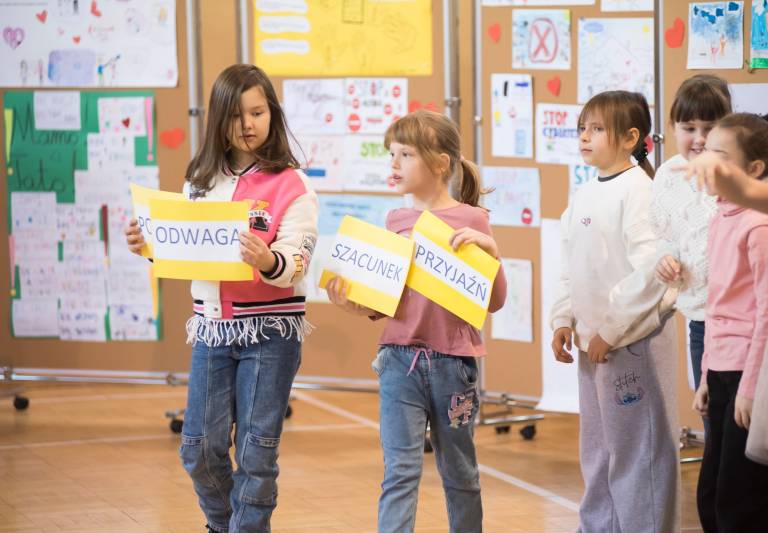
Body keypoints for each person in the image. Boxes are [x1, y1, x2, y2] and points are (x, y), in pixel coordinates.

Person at [125, 64, 318, 533]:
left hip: (272, 333)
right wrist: (150, 246)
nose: (248, 124)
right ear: (218, 118)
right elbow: (188, 250)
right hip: (212, 328)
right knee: (197, 449)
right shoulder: (200, 179)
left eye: (258, 112)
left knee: (256, 453)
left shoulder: (294, 184)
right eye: (236, 115)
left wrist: (268, 260)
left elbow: (298, 260)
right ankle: (223, 524)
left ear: (272, 115)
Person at [327, 109, 507, 533]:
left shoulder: (472, 219)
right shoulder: (395, 221)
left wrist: (492, 254)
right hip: (397, 362)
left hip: (453, 365)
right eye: (391, 154)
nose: (394, 163)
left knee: (460, 472)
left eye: (405, 154)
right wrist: (355, 305)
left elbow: (494, 301)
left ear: (441, 163)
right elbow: (386, 301)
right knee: (400, 472)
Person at [550, 90, 680, 532]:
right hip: (595, 346)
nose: (585, 137)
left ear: (630, 138)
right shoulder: (586, 193)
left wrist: (611, 330)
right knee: (600, 453)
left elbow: (650, 273)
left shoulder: (640, 191)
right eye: (582, 128)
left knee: (639, 455)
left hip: (631, 345)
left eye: (597, 129)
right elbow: (571, 264)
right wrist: (562, 319)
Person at [690, 112, 768, 532]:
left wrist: (750, 389)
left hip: (751, 377)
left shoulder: (761, 227)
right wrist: (705, 376)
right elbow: (718, 307)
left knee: (747, 502)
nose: (705, 160)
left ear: (753, 170)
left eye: (719, 155)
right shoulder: (722, 215)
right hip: (722, 372)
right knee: (712, 497)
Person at [649, 75, 731, 420]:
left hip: (740, 323)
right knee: (710, 415)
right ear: (672, 127)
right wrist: (665, 260)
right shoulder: (667, 176)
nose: (699, 138)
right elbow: (663, 237)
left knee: (742, 420)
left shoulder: (740, 173)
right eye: (689, 128)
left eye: (710, 128)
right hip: (699, 319)